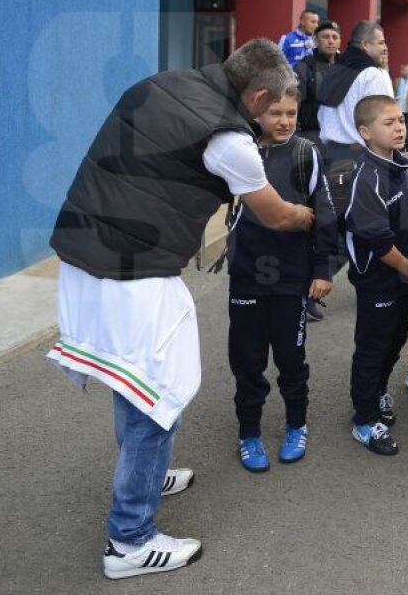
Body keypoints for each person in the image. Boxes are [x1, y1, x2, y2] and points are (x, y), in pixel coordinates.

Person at [47, 38, 311, 579]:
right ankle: (130, 541)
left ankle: (143, 473)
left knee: (133, 378)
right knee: (164, 389)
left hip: (84, 254)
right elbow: (277, 215)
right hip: (131, 272)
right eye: (275, 107)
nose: (276, 118)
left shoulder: (163, 83)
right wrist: (313, 217)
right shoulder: (229, 139)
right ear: (257, 94)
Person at [225, 86, 336, 473]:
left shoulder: (307, 154)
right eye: (275, 113)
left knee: (291, 359)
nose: (285, 121)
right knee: (247, 362)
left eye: (291, 112)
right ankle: (249, 432)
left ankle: (296, 425)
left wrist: (322, 269)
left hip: (292, 277)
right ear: (256, 113)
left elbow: (324, 213)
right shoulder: (239, 151)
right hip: (246, 277)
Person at [345, 95, 408, 455]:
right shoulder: (367, 177)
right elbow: (376, 240)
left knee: (395, 341)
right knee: (372, 348)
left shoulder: (399, 166)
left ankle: (377, 392)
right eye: (388, 122)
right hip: (379, 279)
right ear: (365, 131)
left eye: (401, 121)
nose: (399, 127)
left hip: (404, 276)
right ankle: (363, 420)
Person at [316, 21, 393, 164]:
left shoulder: (334, 69)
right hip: (361, 157)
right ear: (365, 45)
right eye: (381, 43)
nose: (385, 48)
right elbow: (383, 119)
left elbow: (321, 114)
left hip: (330, 154)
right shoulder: (372, 74)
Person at [293, 19, 341, 142]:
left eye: (335, 37)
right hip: (313, 135)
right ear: (315, 41)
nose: (331, 41)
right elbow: (295, 104)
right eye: (325, 37)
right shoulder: (304, 67)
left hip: (342, 137)